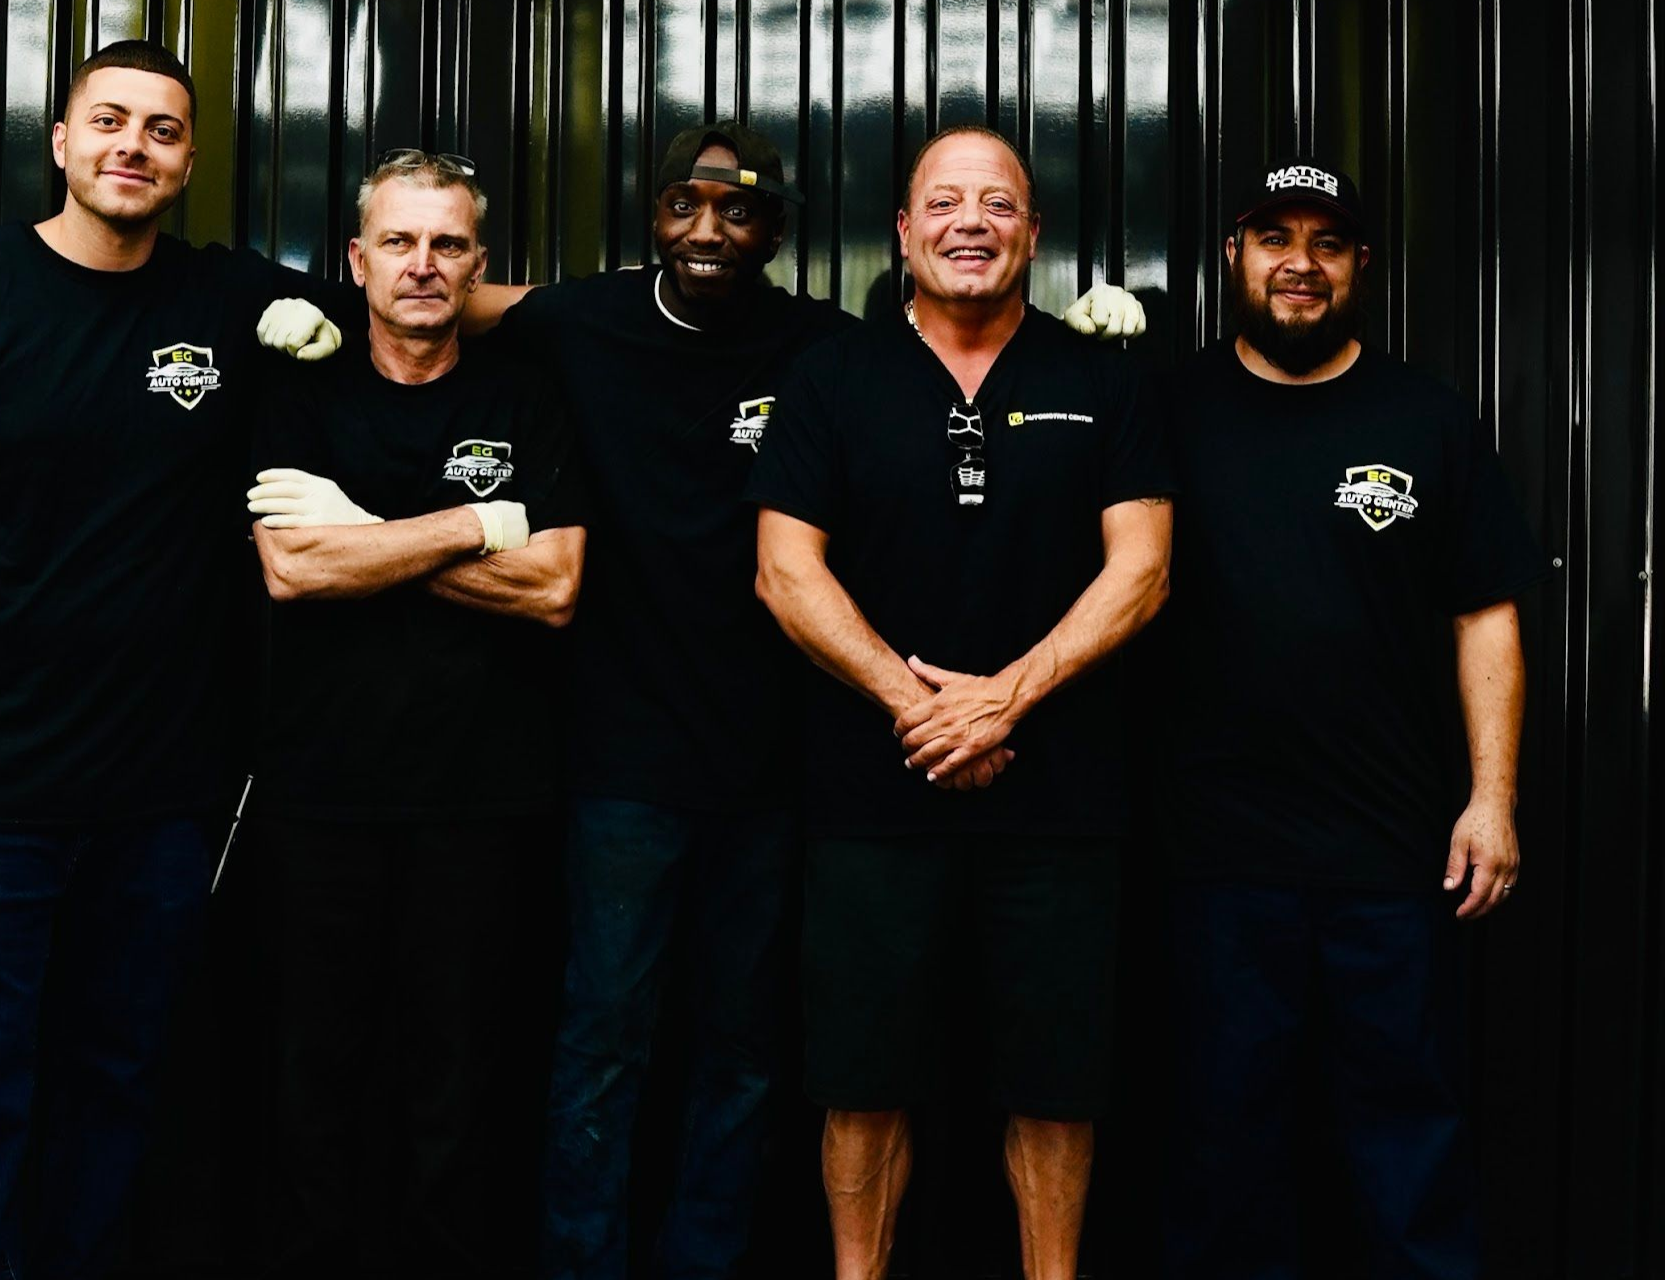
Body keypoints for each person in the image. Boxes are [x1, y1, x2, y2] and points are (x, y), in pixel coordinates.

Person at [257, 120, 1146, 1280]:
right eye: (688, 206)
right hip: (619, 762)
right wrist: (281, 314)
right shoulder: (582, 318)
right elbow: (435, 290)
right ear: (654, 219)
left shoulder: (828, 349)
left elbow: (956, 342)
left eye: (741, 213)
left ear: (781, 234)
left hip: (778, 762)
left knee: (744, 1058)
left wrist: (1092, 329)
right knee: (601, 1049)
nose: (712, 229)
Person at [0, 40, 343, 1280]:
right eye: (109, 121)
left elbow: (417, 297)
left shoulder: (224, 302)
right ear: (60, 143)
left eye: (163, 129)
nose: (135, 144)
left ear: (187, 162)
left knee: (114, 1092)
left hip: (161, 798)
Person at [745, 124, 1173, 1280]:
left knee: (1054, 1083)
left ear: (1033, 231)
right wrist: (916, 703)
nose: (969, 221)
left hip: (1059, 802)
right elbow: (784, 569)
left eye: (997, 202)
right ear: (903, 230)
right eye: (943, 202)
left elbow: (1142, 567)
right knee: (862, 1078)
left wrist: (1007, 700)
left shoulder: (1102, 379)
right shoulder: (832, 376)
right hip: (873, 796)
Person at [1157, 159, 1544, 1280]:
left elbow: (1486, 614)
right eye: (1273, 236)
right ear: (1235, 253)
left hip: (1391, 859)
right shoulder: (1170, 411)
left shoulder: (1425, 416)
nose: (1299, 262)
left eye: (1327, 242)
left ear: (1360, 266)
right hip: (1214, 858)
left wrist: (1493, 799)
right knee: (1222, 1157)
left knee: (1406, 1155)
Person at [242, 150, 586, 1278]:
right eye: (399, 241)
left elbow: (554, 586)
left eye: (447, 244)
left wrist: (363, 525)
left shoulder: (525, 396)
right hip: (320, 801)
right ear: (358, 258)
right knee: (313, 1081)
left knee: (463, 1084)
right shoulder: (302, 392)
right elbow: (293, 571)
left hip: (483, 804)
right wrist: (478, 521)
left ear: (479, 263)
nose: (423, 265)